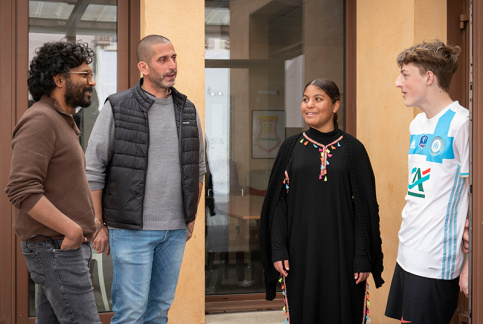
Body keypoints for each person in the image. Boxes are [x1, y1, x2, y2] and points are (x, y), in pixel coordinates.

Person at [85, 34, 206, 323]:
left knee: (159, 312)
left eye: (173, 57)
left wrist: (191, 217)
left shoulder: (188, 110)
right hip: (130, 231)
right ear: (143, 66)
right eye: (163, 59)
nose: (172, 65)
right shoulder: (117, 106)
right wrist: (98, 224)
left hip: (175, 231)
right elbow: (94, 168)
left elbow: (198, 167)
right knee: (130, 313)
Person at [259, 78, 384, 323]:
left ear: (335, 106)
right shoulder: (290, 148)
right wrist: (277, 249)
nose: (309, 105)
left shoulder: (353, 149)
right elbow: (277, 204)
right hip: (299, 254)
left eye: (318, 99)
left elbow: (366, 209)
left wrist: (363, 256)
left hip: (344, 255)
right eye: (306, 99)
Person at [5, 40, 101, 323]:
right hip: (56, 246)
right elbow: (21, 190)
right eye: (84, 74)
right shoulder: (40, 120)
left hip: (61, 246)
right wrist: (71, 230)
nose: (92, 82)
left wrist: (88, 221)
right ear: (59, 79)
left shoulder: (61, 120)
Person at [385, 40, 470, 324]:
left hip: (436, 262)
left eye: (405, 74)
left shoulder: (462, 124)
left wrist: (472, 264)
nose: (398, 82)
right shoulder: (417, 124)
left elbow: (476, 198)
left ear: (429, 78)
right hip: (407, 252)